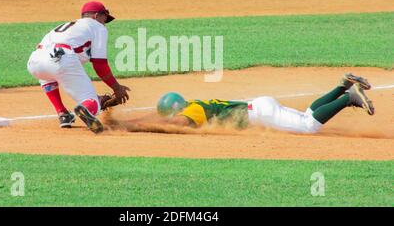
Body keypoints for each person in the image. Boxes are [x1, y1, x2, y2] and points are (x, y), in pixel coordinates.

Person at [27, 1, 130, 133]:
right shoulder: (98, 27)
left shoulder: (67, 26)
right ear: (96, 16)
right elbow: (100, 64)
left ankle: (63, 114)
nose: (104, 23)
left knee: (48, 76)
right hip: (61, 58)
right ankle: (87, 108)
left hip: (35, 61)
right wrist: (116, 87)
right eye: (104, 19)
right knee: (91, 101)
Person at [155, 73, 374, 134]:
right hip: (261, 107)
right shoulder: (194, 103)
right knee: (307, 113)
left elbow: (181, 123)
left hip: (262, 114)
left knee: (309, 126)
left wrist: (152, 127)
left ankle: (349, 97)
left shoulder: (192, 110)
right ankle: (342, 86)